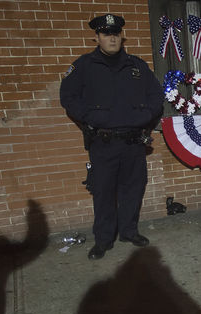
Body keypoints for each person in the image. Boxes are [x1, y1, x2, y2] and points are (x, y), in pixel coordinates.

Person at [60, 13, 164, 259]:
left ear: (121, 36)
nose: (112, 38)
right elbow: (68, 97)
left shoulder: (137, 66)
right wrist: (92, 117)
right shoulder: (84, 66)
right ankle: (104, 240)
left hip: (133, 142)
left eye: (116, 34)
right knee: (104, 191)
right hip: (103, 143)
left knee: (133, 188)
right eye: (107, 34)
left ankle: (129, 231)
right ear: (97, 37)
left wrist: (144, 117)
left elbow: (156, 96)